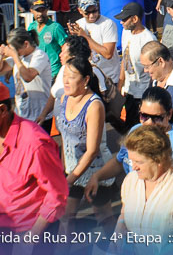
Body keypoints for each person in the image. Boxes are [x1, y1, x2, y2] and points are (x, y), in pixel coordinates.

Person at [0, 79, 68, 234]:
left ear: (3, 109)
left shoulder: (35, 144)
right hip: (6, 225)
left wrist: (31, 237)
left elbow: (57, 194)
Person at [85, 87, 173, 201]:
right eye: (144, 116)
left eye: (157, 118)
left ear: (169, 114)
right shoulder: (135, 131)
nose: (149, 123)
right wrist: (97, 176)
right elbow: (120, 161)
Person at [115, 124, 173, 237]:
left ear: (159, 160)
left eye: (139, 162)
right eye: (132, 161)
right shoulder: (131, 180)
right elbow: (124, 213)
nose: (133, 167)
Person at [54, 57, 109, 226]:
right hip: (71, 171)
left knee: (103, 218)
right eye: (64, 75)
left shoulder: (94, 106)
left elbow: (92, 151)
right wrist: (63, 170)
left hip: (95, 173)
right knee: (66, 217)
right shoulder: (64, 98)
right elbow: (64, 137)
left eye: (72, 76)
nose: (66, 81)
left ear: (86, 80)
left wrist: (69, 179)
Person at [0, 29, 53, 123]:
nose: (15, 53)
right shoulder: (20, 56)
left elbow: (28, 77)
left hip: (40, 115)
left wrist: (15, 56)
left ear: (26, 44)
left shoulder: (39, 56)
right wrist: (1, 55)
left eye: (16, 50)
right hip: (22, 113)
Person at [116, 1, 154, 130]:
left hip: (142, 93)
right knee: (129, 128)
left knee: (139, 130)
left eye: (124, 19)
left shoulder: (148, 39)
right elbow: (125, 59)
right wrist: (121, 83)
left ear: (135, 19)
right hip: (129, 90)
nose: (121, 22)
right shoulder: (126, 32)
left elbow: (154, 70)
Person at [69, 0, 120, 77]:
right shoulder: (79, 24)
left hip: (108, 77)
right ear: (80, 11)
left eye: (94, 11)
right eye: (87, 13)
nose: (92, 15)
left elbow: (108, 54)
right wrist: (74, 37)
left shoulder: (108, 24)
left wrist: (85, 37)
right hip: (90, 76)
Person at [28, 0, 67, 80]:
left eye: (42, 10)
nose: (40, 14)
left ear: (47, 10)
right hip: (37, 72)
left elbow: (66, 49)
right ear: (31, 11)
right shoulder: (31, 27)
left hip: (53, 73)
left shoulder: (55, 27)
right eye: (37, 10)